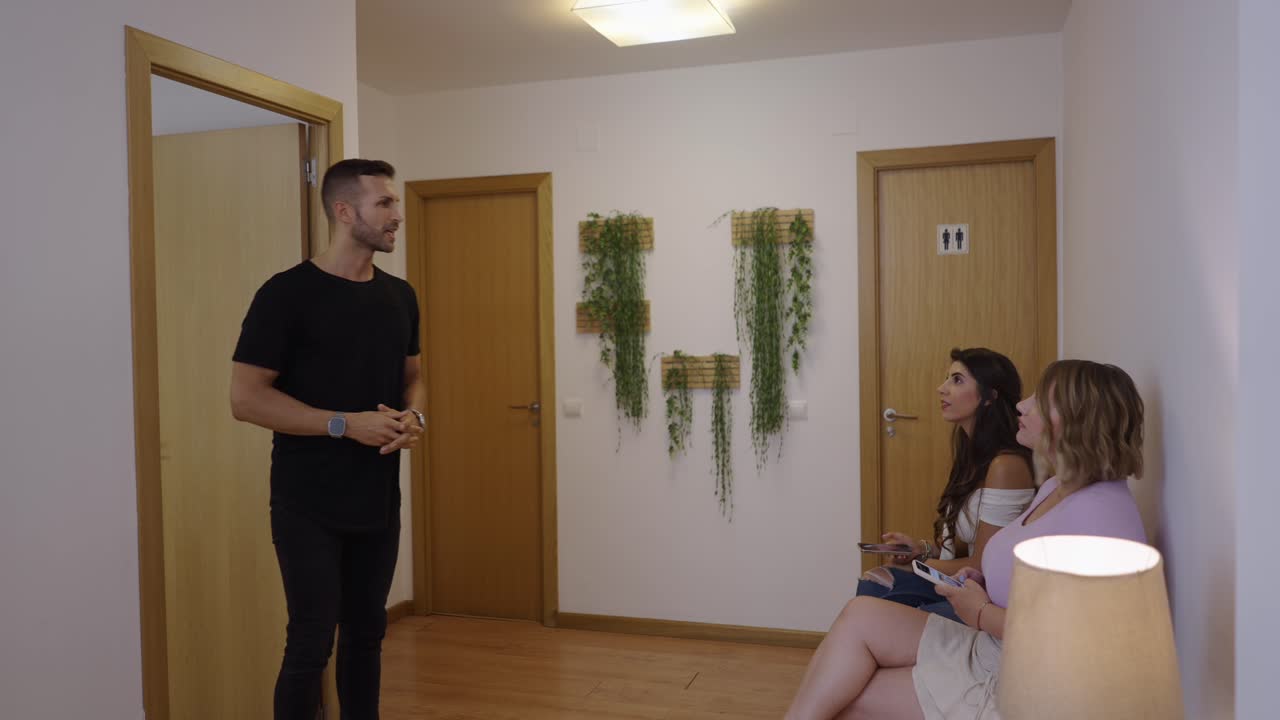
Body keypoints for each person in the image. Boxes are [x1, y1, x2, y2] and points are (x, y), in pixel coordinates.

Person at [785, 360, 1148, 719]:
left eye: (1039, 401)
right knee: (860, 615)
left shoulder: (1100, 517)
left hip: (1024, 678)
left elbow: (1075, 640)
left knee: (847, 696)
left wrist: (980, 611)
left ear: (1075, 421)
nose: (1022, 405)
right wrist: (981, 582)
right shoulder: (1057, 485)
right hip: (994, 642)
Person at [230, 159, 424, 720]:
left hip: (378, 499)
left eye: (395, 203)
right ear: (344, 212)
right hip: (305, 502)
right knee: (311, 643)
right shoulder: (285, 295)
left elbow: (414, 375)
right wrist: (345, 423)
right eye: (384, 204)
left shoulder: (400, 296)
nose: (397, 215)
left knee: (367, 636)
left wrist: (416, 419)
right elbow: (245, 399)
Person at [858, 348, 1034, 622]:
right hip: (962, 583)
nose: (942, 389)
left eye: (957, 380)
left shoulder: (1006, 467)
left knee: (877, 604)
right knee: (873, 583)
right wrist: (922, 549)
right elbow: (967, 547)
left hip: (985, 598)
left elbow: (981, 566)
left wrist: (918, 565)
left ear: (990, 396)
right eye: (947, 379)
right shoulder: (973, 455)